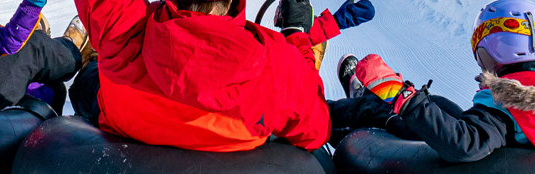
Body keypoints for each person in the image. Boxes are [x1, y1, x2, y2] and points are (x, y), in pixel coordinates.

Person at [328, 0, 535, 162]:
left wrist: (401, 95)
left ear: (491, 49)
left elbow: (464, 144)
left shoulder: (505, 107)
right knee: (439, 105)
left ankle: (331, 112)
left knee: (389, 111)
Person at [73, 0, 377, 152]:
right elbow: (316, 131)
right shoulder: (276, 63)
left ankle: (79, 50)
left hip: (131, 126)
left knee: (90, 78)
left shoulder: (125, 31)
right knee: (302, 91)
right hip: (232, 164)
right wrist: (296, 37)